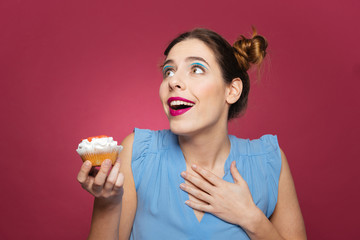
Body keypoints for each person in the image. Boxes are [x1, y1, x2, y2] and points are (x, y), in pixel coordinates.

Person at [77, 27, 307, 240]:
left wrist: (251, 218)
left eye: (196, 69)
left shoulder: (269, 162)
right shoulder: (138, 152)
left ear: (232, 90)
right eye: (169, 71)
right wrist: (107, 203)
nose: (174, 81)